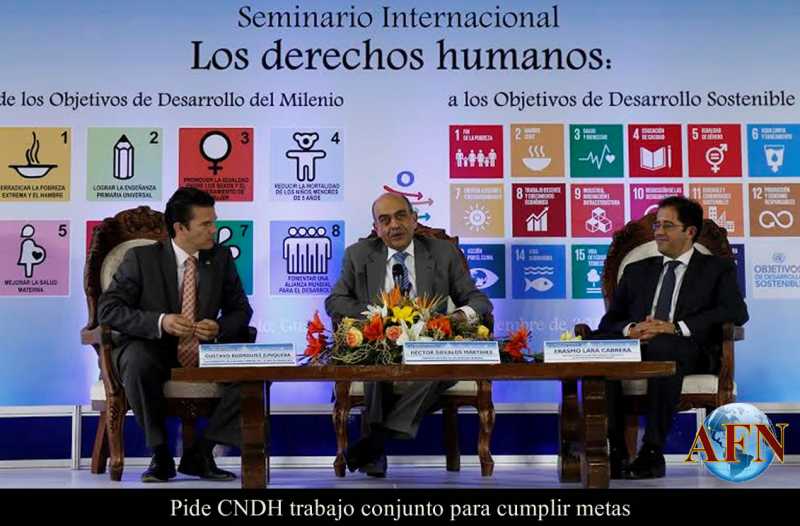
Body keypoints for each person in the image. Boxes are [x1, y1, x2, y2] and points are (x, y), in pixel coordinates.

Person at [325, 192, 493, 477]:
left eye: (401, 216)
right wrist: (378, 315)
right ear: (377, 228)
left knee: (439, 366)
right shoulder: (358, 254)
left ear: (415, 220)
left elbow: (479, 301)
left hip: (431, 344)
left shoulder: (442, 252)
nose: (394, 225)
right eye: (385, 220)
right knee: (376, 367)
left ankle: (375, 442)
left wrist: (455, 317)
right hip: (382, 341)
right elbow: (335, 301)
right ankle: (378, 444)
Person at [98, 187, 253, 482]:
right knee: (137, 360)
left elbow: (241, 310)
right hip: (154, 348)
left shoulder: (220, 258)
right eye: (206, 224)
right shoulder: (140, 259)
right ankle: (160, 454)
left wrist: (219, 326)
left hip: (205, 350)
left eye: (214, 222)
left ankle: (202, 452)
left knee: (255, 372)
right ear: (180, 228)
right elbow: (108, 310)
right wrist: (160, 321)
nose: (214, 229)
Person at [596, 196, 748, 479]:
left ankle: (652, 452)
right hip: (637, 346)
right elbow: (610, 321)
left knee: (663, 345)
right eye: (657, 225)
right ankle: (616, 451)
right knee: (602, 348)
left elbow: (736, 311)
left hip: (689, 348)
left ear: (690, 231)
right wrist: (631, 329)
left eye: (667, 225)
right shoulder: (636, 270)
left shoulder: (716, 268)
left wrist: (676, 327)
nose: (658, 232)